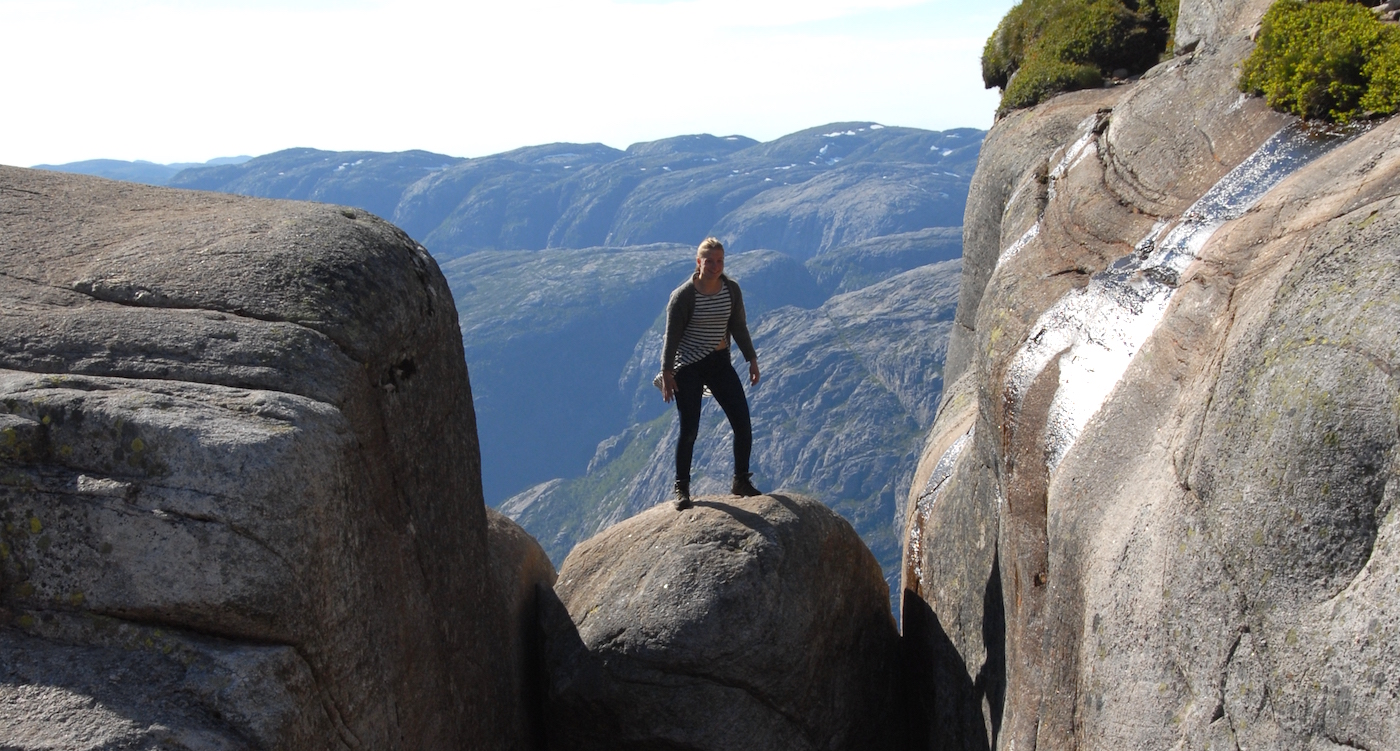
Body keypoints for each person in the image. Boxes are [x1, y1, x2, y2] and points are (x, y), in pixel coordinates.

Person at [661, 237, 762, 510]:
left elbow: (738, 326)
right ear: (699, 262)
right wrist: (667, 373)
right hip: (688, 366)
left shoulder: (731, 290)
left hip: (719, 361)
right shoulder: (683, 296)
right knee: (690, 429)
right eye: (710, 261)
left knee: (742, 421)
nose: (716, 266)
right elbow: (671, 338)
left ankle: (741, 480)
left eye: (720, 261)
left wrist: (751, 359)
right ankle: (682, 488)